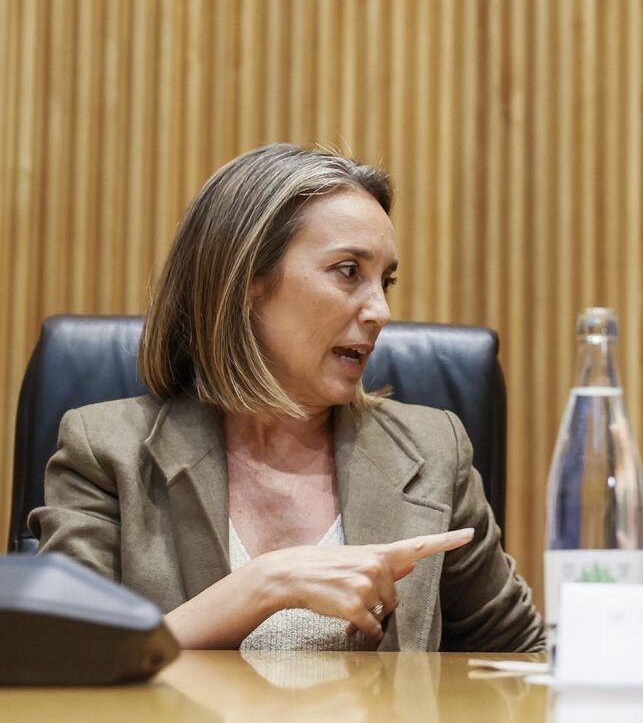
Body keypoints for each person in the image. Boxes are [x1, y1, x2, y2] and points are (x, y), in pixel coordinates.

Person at [30, 143, 544, 651]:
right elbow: (64, 658)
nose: (381, 312)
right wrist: (266, 585)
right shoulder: (105, 451)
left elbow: (524, 656)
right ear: (247, 280)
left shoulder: (433, 451)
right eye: (349, 271)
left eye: (385, 281)